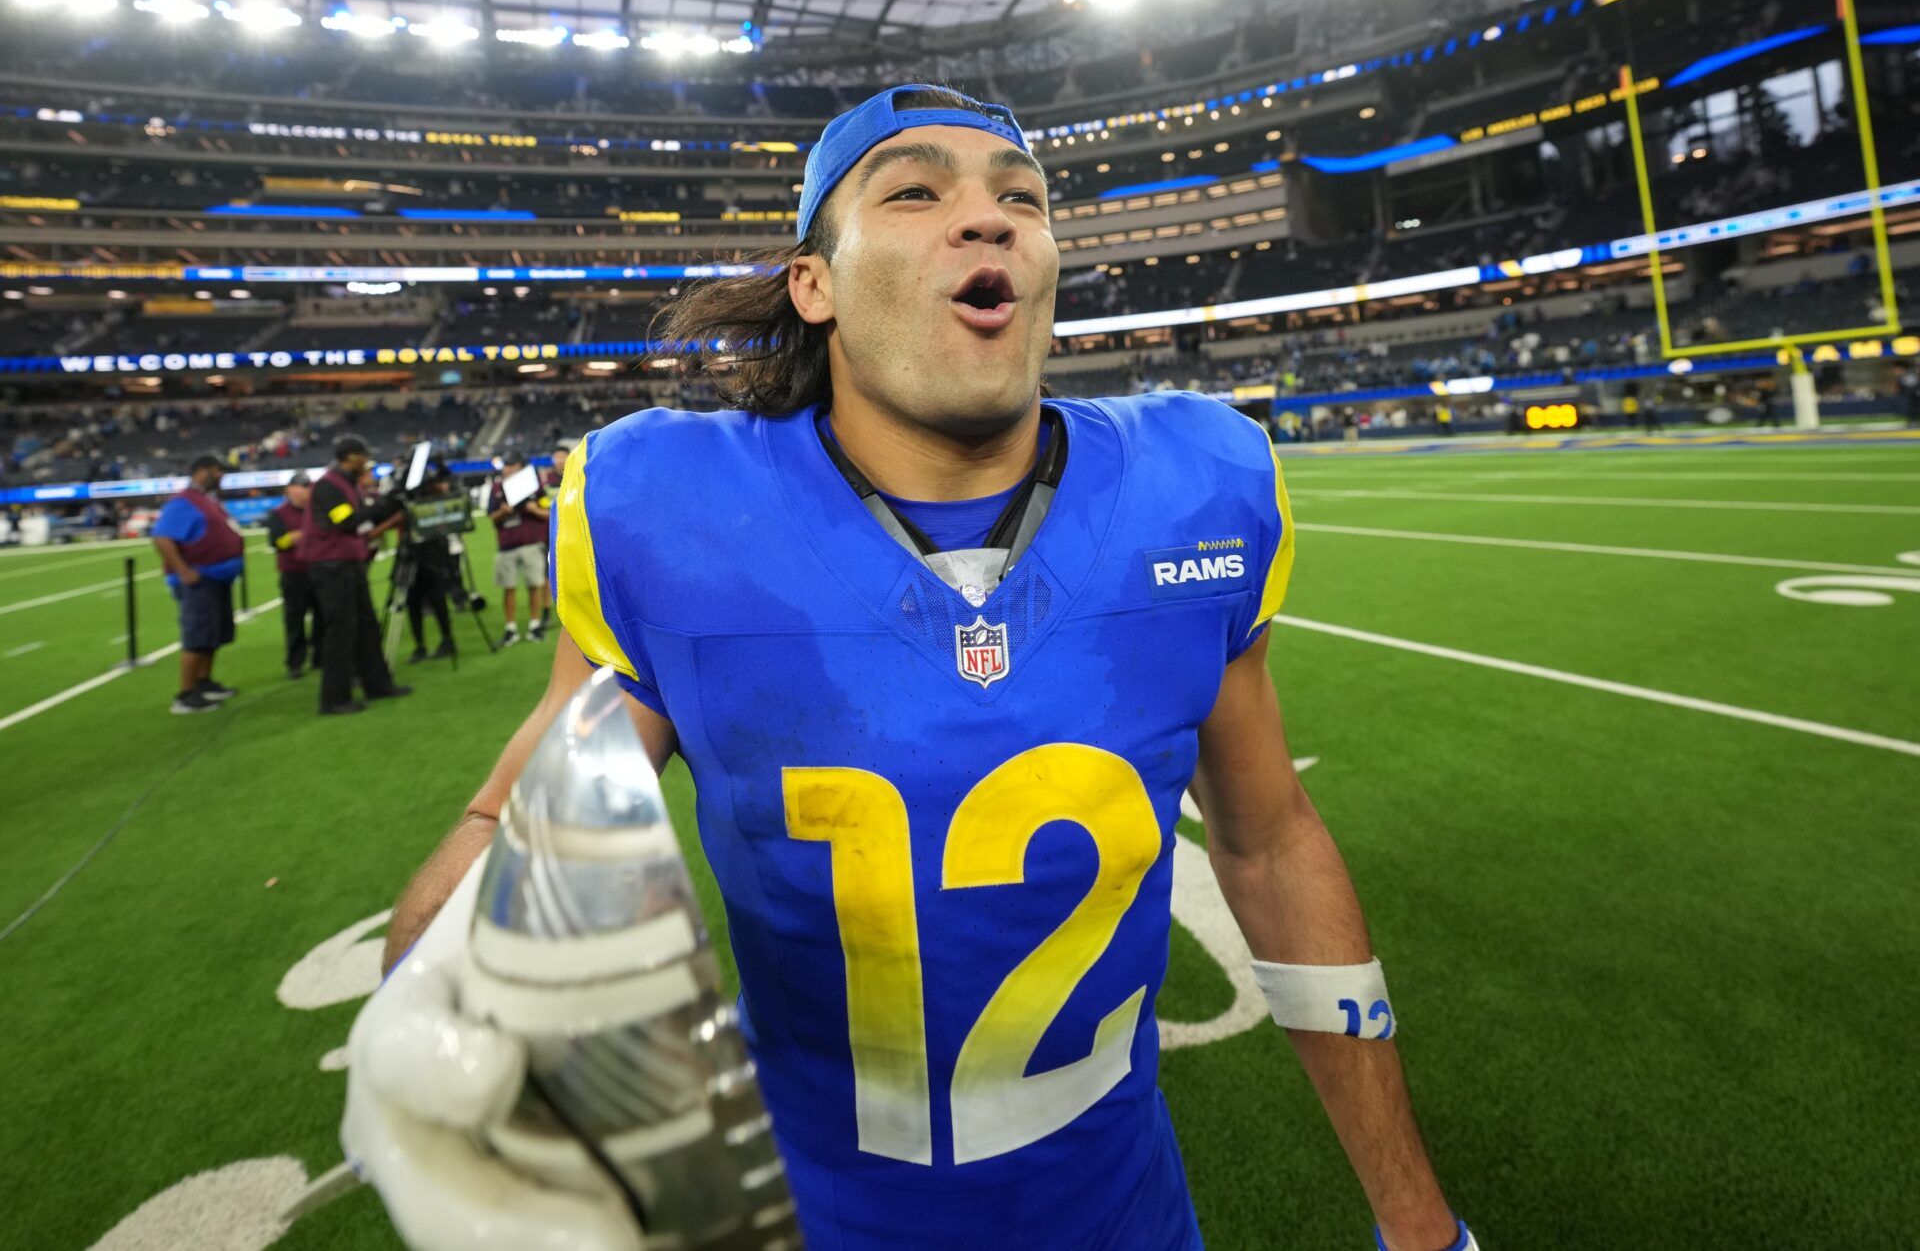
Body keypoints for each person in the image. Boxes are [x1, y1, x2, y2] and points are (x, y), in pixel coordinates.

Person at [348, 85, 1473, 1251]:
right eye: (916, 192)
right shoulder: (673, 513)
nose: (987, 216)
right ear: (815, 284)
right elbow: (520, 830)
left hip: (1127, 1219)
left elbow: (1268, 839)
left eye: (1022, 198)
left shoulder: (1195, 489)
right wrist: (439, 990)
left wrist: (1420, 1225)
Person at [303, 436, 412, 716]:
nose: (366, 462)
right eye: (363, 456)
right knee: (341, 629)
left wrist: (388, 505)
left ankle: (378, 684)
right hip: (332, 565)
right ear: (351, 457)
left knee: (366, 626)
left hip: (347, 562)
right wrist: (386, 504)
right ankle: (334, 698)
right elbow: (346, 521)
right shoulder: (329, 485)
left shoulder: (344, 483)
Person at [150, 453, 244, 715]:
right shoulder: (184, 501)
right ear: (203, 471)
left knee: (213, 635)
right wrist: (183, 570)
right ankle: (186, 694)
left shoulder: (206, 499)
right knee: (198, 635)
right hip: (201, 579)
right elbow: (162, 537)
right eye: (218, 470)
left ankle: (204, 682)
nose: (221, 475)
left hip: (216, 577)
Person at [486, 449, 551, 646]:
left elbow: (547, 512)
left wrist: (534, 510)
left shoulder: (534, 485)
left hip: (531, 541)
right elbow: (491, 516)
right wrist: (502, 512)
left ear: (521, 467)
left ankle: (535, 624)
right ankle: (510, 628)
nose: (507, 469)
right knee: (509, 587)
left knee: (534, 585)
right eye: (506, 465)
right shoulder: (497, 487)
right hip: (507, 544)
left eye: (511, 465)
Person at [266, 472, 322, 680]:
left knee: (322, 616)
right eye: (301, 487)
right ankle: (295, 662)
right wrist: (298, 536)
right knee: (294, 619)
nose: (305, 491)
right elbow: (277, 542)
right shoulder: (279, 513)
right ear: (289, 490)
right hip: (293, 573)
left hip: (318, 569)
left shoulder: (316, 510)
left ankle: (320, 656)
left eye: (307, 487)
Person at [402, 459, 458, 663]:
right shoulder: (409, 496)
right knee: (412, 602)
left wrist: (439, 465)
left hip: (433, 552)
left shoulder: (434, 496)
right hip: (412, 553)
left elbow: (450, 482)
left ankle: (447, 640)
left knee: (437, 599)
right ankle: (420, 645)